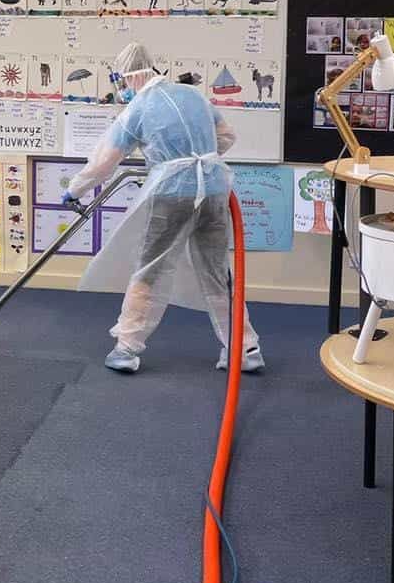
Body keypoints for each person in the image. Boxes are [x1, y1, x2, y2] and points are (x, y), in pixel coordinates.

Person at [62, 41, 262, 375]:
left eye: (122, 82)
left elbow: (102, 164)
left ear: (128, 77)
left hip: (171, 194)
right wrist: (194, 158)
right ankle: (246, 348)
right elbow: (226, 138)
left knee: (149, 268)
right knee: (217, 272)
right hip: (214, 189)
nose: (123, 88)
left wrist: (74, 189)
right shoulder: (194, 95)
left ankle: (126, 347)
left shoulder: (138, 109)